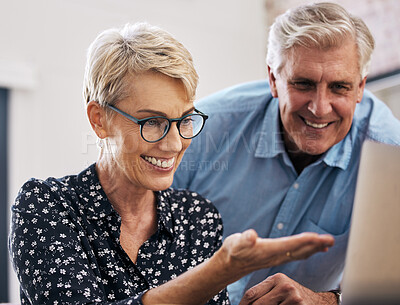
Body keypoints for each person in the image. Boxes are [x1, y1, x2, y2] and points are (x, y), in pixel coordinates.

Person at [8, 22, 334, 305]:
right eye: (152, 122)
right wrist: (217, 272)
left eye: (185, 120)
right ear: (99, 119)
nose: (175, 143)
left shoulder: (197, 217)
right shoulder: (48, 206)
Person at [173, 2, 400, 305]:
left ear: (360, 88)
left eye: (339, 87)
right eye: (303, 84)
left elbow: (388, 289)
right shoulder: (200, 132)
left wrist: (328, 301)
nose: (320, 108)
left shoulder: (389, 155)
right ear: (273, 79)